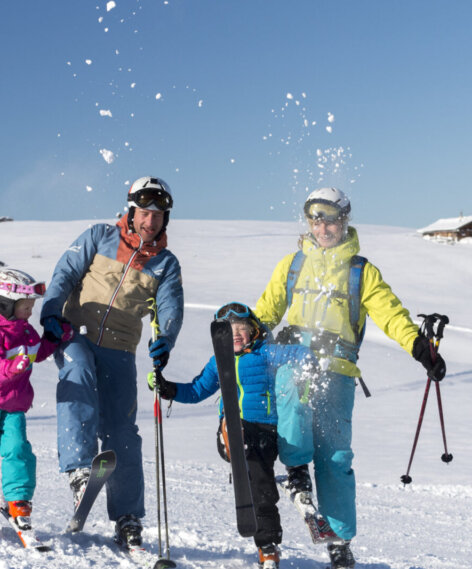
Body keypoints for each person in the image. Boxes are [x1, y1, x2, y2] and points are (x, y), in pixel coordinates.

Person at [254, 187, 447, 569]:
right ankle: (296, 471)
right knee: (293, 392)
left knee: (336, 458)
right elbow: (266, 312)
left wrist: (418, 346)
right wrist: (243, 331)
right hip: (293, 360)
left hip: (339, 371)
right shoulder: (292, 265)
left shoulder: (361, 272)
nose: (323, 227)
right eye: (316, 219)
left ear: (344, 221)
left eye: (330, 220)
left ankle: (339, 541)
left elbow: (390, 313)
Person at [39, 176, 184, 548]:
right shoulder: (99, 236)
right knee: (79, 373)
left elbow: (170, 307)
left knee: (122, 431)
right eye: (144, 212)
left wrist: (165, 338)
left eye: (158, 215)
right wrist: (51, 312)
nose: (150, 221)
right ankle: (79, 470)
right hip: (74, 333)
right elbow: (65, 272)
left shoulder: (166, 264)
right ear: (131, 211)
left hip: (120, 348)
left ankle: (128, 517)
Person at [148, 302, 317, 569]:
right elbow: (197, 390)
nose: (236, 334)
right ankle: (232, 437)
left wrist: (308, 366)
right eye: (229, 330)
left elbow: (300, 354)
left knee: (261, 488)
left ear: (254, 331)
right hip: (235, 428)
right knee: (237, 428)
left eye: (241, 328)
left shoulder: (266, 352)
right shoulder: (218, 362)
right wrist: (168, 388)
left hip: (267, 433)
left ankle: (268, 547)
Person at [0, 268, 72, 539]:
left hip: (14, 406)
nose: (30, 311)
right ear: (5, 303)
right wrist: (11, 367)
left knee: (18, 451)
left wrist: (53, 338)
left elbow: (36, 353)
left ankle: (18, 501)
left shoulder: (26, 330)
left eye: (31, 306)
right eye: (26, 306)